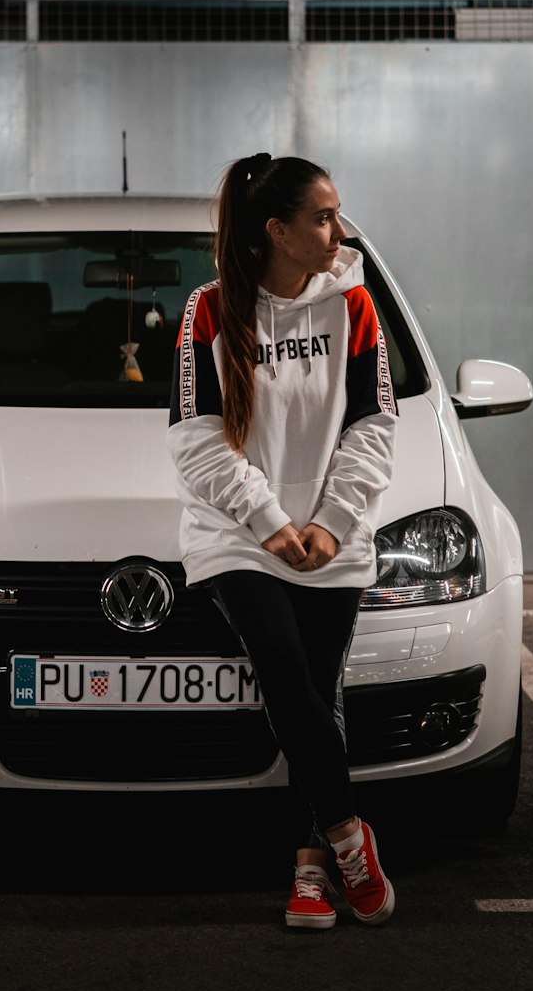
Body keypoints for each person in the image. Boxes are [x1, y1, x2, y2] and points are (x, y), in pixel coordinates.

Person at [167, 153, 398, 929]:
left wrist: (331, 524)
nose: (339, 230)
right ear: (277, 230)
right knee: (284, 669)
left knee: (317, 696)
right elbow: (197, 443)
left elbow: (374, 427)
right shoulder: (208, 311)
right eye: (323, 217)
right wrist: (271, 525)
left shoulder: (357, 306)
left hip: (333, 537)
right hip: (238, 534)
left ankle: (310, 868)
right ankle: (349, 838)